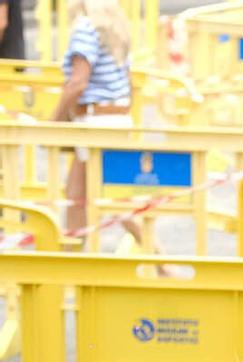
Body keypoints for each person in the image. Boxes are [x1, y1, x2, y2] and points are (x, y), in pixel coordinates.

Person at [54, 0, 138, 243]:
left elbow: (78, 82)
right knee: (77, 196)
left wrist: (54, 120)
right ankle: (73, 262)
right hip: (117, 116)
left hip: (94, 121)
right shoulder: (116, 26)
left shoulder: (85, 29)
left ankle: (163, 262)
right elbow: (129, 81)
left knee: (114, 201)